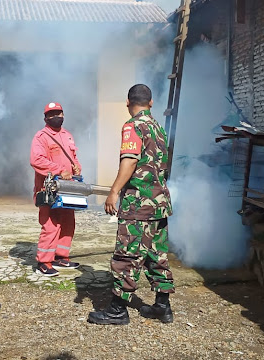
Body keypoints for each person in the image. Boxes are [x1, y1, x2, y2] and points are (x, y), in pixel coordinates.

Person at [88, 84, 174, 325]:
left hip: (139, 204)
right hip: (159, 203)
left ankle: (118, 310)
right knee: (157, 255)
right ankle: (162, 306)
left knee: (127, 254)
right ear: (151, 103)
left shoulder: (133, 126)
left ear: (128, 103)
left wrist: (114, 192)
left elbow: (129, 161)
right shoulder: (158, 128)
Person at [30, 102, 82, 277]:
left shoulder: (67, 136)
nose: (55, 116)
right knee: (51, 224)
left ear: (63, 114)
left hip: (67, 188)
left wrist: (77, 167)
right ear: (45, 118)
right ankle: (44, 261)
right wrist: (60, 170)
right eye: (51, 114)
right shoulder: (41, 137)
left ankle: (61, 256)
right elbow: (36, 160)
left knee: (68, 222)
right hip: (49, 189)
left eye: (58, 113)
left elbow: (73, 157)